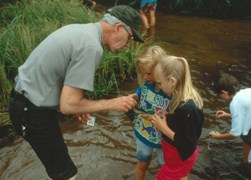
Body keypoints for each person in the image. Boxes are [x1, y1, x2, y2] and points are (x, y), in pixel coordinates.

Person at [8, 5, 144, 180]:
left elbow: (59, 83)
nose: (127, 45)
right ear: (119, 28)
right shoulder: (91, 47)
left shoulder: (80, 31)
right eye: (130, 38)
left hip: (24, 102)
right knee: (67, 175)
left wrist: (80, 107)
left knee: (59, 170)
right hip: (31, 112)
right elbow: (68, 105)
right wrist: (114, 103)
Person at [151, 56, 205, 180]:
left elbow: (187, 143)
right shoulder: (185, 97)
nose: (159, 87)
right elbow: (190, 128)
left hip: (179, 158)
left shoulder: (187, 108)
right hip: (181, 158)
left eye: (160, 83)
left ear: (172, 81)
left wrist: (163, 127)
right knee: (182, 176)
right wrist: (169, 115)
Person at [209, 73, 251, 174]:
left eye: (219, 95)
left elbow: (235, 134)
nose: (219, 98)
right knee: (247, 134)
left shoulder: (235, 103)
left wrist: (218, 136)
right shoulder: (246, 91)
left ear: (224, 93)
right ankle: (246, 164)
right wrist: (228, 115)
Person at [128, 45, 171, 180]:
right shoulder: (146, 83)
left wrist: (160, 116)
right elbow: (141, 91)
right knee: (141, 164)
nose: (145, 77)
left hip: (164, 137)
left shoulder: (169, 88)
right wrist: (135, 96)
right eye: (142, 73)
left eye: (149, 73)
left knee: (165, 168)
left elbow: (177, 112)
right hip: (144, 132)